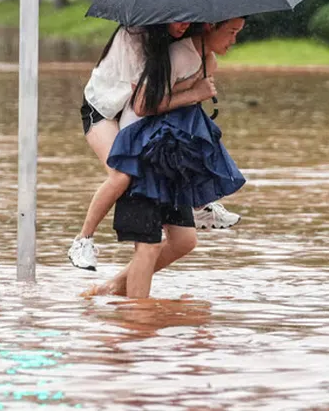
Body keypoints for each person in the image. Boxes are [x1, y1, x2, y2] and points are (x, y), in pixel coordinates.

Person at [89, 17, 248, 298]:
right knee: (147, 244)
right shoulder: (176, 55)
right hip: (142, 152)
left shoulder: (202, 60)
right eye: (232, 32)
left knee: (184, 241)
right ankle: (139, 319)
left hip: (165, 158)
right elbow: (143, 105)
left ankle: (114, 288)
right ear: (210, 26)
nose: (233, 41)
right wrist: (193, 92)